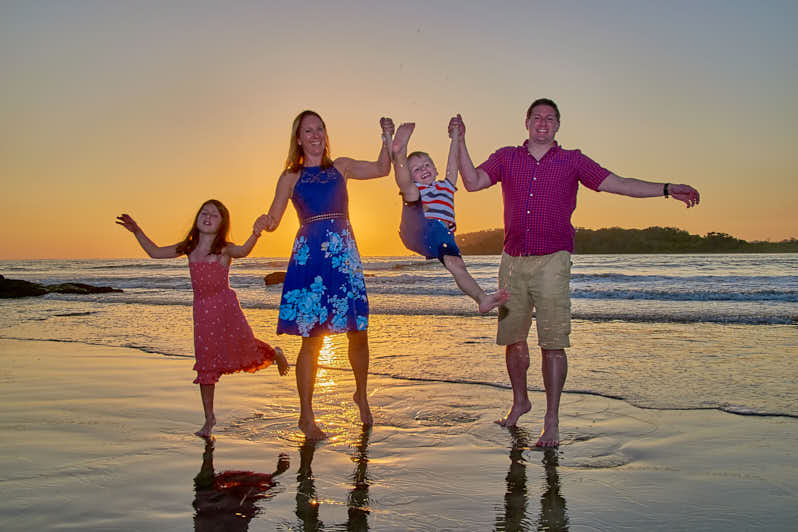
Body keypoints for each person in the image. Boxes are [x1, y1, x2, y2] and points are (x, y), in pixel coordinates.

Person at [451, 99, 700, 447]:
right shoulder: (507, 157)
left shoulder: (574, 160)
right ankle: (520, 401)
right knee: (513, 339)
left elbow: (620, 183)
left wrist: (665, 188)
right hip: (512, 260)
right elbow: (473, 182)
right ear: (526, 122)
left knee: (552, 342)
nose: (543, 123)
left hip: (553, 260)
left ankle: (551, 419)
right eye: (537, 117)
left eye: (550, 119)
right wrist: (460, 140)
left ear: (557, 126)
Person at [262, 110, 394, 440]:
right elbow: (275, 217)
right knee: (312, 338)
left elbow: (382, 169)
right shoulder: (289, 177)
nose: (316, 134)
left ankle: (361, 394)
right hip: (310, 259)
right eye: (309, 130)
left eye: (320, 128)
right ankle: (306, 417)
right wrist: (263, 222)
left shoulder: (342, 167)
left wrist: (387, 137)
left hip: (342, 256)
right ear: (298, 138)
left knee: (358, 330)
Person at [116, 200, 289, 439]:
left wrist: (255, 233)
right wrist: (137, 231)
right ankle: (209, 418)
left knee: (245, 348)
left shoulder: (224, 249)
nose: (208, 217)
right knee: (206, 361)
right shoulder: (189, 247)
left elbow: (243, 252)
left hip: (227, 308)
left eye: (214, 215)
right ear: (197, 218)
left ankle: (276, 353)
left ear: (222, 223)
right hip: (202, 311)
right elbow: (155, 252)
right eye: (204, 213)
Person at [390, 121, 508, 313]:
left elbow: (452, 164)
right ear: (412, 175)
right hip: (415, 226)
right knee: (410, 192)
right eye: (417, 170)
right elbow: (407, 184)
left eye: (427, 165)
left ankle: (482, 298)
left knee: (457, 265)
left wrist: (455, 137)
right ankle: (399, 154)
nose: (424, 170)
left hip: (439, 235)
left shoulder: (446, 186)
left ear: (436, 169)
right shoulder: (416, 186)